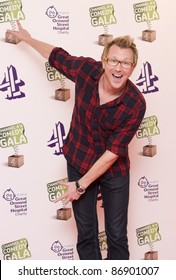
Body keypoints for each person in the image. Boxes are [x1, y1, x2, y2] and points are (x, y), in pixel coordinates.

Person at [8, 21, 146, 260]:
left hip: (114, 171)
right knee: (86, 234)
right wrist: (28, 39)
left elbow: (112, 154)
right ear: (103, 62)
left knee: (116, 235)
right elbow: (56, 55)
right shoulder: (85, 70)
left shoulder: (135, 103)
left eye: (125, 63)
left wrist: (80, 185)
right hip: (79, 159)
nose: (118, 68)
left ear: (132, 68)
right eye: (113, 60)